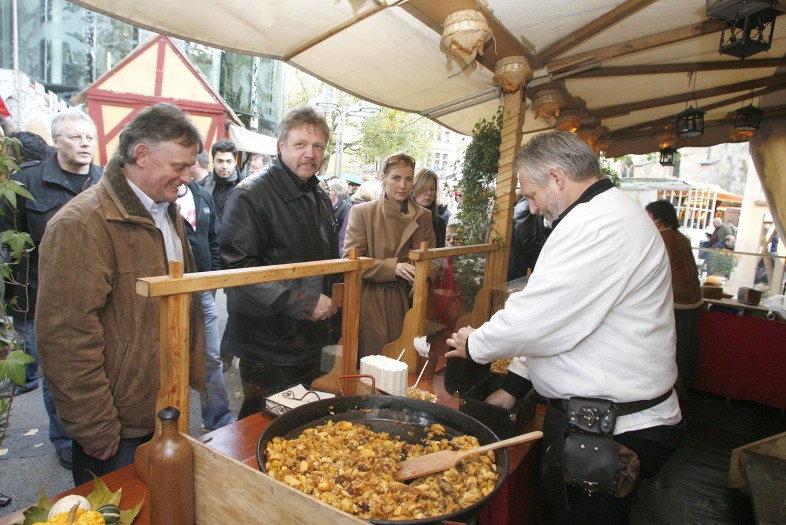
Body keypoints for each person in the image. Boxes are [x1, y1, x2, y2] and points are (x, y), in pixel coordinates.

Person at [446, 131, 682, 525]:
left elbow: (537, 318)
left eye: (531, 194)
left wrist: (475, 344)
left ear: (556, 178)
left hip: (610, 429)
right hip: (604, 420)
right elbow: (561, 316)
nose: (532, 206)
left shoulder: (596, 223)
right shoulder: (607, 212)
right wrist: (515, 385)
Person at [35, 103, 206, 486]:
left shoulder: (165, 210)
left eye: (190, 167)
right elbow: (65, 338)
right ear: (141, 154)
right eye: (178, 166)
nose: (187, 178)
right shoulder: (82, 224)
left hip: (164, 405)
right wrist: (93, 424)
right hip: (116, 425)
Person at [220, 106, 339, 420]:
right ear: (281, 146)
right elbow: (238, 272)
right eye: (300, 144)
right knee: (262, 427)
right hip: (269, 346)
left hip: (311, 340)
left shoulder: (318, 195)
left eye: (318, 146)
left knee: (302, 428)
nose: (310, 153)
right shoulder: (251, 195)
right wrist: (304, 302)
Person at [3, 112, 103, 471]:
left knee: (92, 366)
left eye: (89, 137)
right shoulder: (27, 182)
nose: (84, 144)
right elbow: (9, 239)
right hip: (41, 296)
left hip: (95, 295)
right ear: (56, 141)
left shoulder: (105, 180)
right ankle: (64, 439)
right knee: (56, 371)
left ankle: (93, 431)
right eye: (75, 137)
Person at [343, 153, 436, 359]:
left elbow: (433, 258)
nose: (403, 185)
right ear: (383, 177)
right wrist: (393, 268)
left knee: (407, 366)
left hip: (413, 302)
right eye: (396, 178)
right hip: (374, 304)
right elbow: (350, 260)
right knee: (378, 366)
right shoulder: (363, 213)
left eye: (408, 179)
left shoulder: (424, 216)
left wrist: (423, 273)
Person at [177, 175, 234, 431]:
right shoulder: (156, 195)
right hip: (168, 291)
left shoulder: (200, 194)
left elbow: (213, 237)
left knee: (210, 356)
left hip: (201, 291)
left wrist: (213, 278)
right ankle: (168, 431)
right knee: (167, 360)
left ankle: (218, 420)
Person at [645, 200, 702, 400]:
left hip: (676, 302)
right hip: (693, 301)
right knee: (686, 349)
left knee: (672, 350)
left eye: (648, 216)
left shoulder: (660, 238)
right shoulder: (682, 238)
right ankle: (682, 390)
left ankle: (672, 393)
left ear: (658, 219)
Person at [199, 139, 244, 220]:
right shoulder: (201, 187)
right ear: (213, 161)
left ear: (235, 162)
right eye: (220, 161)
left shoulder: (245, 188)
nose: (224, 166)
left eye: (229, 161)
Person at [411, 168, 447, 248]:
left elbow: (438, 253)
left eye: (432, 189)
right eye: (424, 188)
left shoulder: (439, 223)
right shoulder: (404, 217)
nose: (429, 193)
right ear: (413, 189)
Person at [328, 177, 352, 254]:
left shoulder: (346, 207)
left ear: (334, 191)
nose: (329, 192)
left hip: (339, 248)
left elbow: (345, 232)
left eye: (330, 190)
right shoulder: (336, 205)